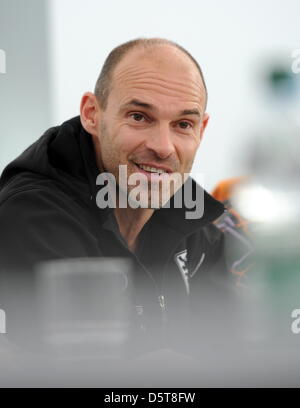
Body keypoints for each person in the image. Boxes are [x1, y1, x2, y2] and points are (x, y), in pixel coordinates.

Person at [0, 38, 248, 353]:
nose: (162, 146)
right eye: (139, 117)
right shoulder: (33, 215)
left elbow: (230, 352)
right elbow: (88, 373)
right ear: (91, 114)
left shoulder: (195, 215)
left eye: (183, 124)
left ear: (202, 130)